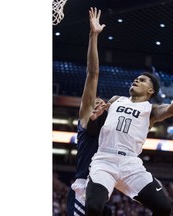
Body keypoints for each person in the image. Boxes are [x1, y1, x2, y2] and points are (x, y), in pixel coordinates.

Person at [85, 43, 173, 215]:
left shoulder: (151, 110)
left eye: (142, 80)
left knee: (164, 208)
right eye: (136, 79)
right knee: (93, 208)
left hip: (131, 164)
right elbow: (93, 129)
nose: (136, 80)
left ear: (151, 90)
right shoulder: (116, 99)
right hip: (105, 159)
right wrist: (94, 119)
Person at [66, 7, 111, 216]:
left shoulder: (109, 131)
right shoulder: (85, 118)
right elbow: (93, 73)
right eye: (95, 101)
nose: (98, 103)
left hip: (104, 190)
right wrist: (93, 36)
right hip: (83, 189)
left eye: (102, 103)